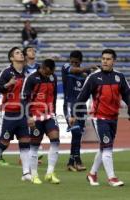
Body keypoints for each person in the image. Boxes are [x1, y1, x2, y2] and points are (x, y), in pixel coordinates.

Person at [70, 49, 130, 187]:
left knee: (104, 148)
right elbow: (81, 98)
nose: (104, 61)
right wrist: (73, 115)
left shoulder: (119, 77)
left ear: (113, 61)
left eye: (108, 59)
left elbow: (127, 95)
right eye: (103, 58)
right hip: (99, 118)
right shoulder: (93, 77)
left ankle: (92, 174)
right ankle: (112, 178)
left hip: (113, 118)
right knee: (107, 147)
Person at [0, 47, 31, 182]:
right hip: (11, 114)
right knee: (4, 143)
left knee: (24, 143)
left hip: (23, 113)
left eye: (21, 52)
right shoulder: (6, 72)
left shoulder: (27, 72)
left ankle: (25, 173)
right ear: (11, 58)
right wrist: (8, 84)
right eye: (17, 53)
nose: (21, 54)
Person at [22, 59, 60, 184]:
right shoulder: (31, 78)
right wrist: (28, 116)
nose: (50, 74)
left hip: (49, 115)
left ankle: (50, 172)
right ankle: (34, 174)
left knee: (55, 139)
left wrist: (54, 111)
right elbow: (24, 99)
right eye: (48, 72)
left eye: (52, 72)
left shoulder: (53, 77)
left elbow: (54, 96)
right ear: (43, 68)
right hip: (35, 117)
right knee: (34, 145)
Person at [62, 51, 98, 172]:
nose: (73, 64)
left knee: (78, 135)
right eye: (72, 61)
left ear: (80, 61)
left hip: (81, 106)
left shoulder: (86, 73)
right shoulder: (66, 67)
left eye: (76, 62)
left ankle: (71, 162)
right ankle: (77, 160)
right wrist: (89, 68)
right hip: (70, 105)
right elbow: (74, 70)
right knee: (76, 133)